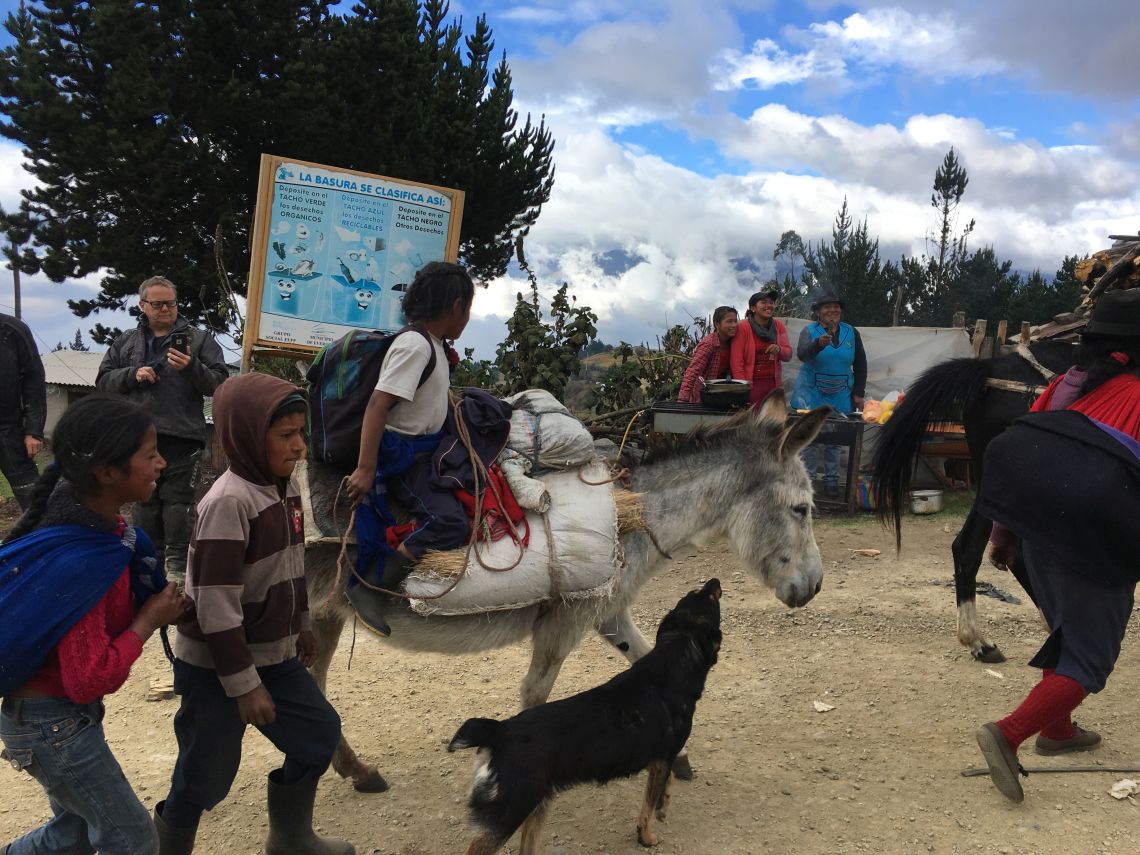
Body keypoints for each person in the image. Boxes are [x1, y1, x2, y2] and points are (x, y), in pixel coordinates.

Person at [155, 373, 354, 855]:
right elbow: (216, 607)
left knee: (318, 735)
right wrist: (244, 686)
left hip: (273, 654)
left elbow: (292, 566)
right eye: (285, 435)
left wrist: (302, 622)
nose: (300, 447)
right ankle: (165, 846)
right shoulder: (227, 502)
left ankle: (291, 839)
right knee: (205, 776)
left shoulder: (281, 489)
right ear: (245, 433)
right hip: (218, 667)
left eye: (301, 434)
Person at [0, 395, 190, 855]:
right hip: (52, 724)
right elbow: (90, 678)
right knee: (134, 838)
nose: (162, 462)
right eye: (149, 455)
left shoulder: (105, 535)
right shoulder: (83, 563)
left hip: (51, 719)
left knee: (77, 832)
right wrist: (148, 620)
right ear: (107, 473)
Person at [973, 288, 1140, 804]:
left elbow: (1023, 461)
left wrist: (1002, 539)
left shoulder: (1063, 389)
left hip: (1036, 535)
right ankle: (1009, 732)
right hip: (1094, 538)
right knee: (1089, 659)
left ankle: (1059, 731)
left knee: (1067, 629)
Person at [342, 261, 474, 637]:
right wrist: (366, 468)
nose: (467, 318)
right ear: (455, 306)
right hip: (406, 456)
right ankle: (372, 584)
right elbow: (377, 405)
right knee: (451, 521)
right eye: (467, 310)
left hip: (426, 449)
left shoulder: (432, 345)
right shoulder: (415, 346)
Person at [96, 276, 229, 580]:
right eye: (158, 304)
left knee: (179, 503)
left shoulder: (198, 340)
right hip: (137, 435)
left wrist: (191, 367)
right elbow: (103, 381)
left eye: (171, 302)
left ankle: (179, 572)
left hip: (183, 435)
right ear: (143, 306)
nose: (166, 309)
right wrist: (132, 374)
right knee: (144, 501)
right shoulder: (126, 341)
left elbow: (220, 383)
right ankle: (146, 567)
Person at [790, 294, 867, 499]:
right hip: (812, 391)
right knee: (811, 438)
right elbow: (802, 355)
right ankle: (809, 482)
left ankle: (832, 482)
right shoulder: (809, 331)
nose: (832, 310)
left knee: (835, 438)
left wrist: (859, 393)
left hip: (841, 392)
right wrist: (817, 345)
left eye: (836, 307)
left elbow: (860, 363)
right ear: (818, 312)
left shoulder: (852, 332)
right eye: (827, 307)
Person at [0, 312, 46, 509]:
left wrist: (33, 430)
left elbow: (34, 380)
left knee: (34, 500)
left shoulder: (13, 330)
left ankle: (48, 537)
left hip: (9, 429)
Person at [730, 290, 791, 406]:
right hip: (752, 385)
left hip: (774, 385)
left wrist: (779, 349)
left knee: (774, 420)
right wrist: (743, 389)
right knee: (753, 420)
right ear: (753, 308)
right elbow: (736, 362)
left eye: (771, 302)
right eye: (763, 302)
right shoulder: (743, 327)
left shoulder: (778, 326)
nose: (768, 305)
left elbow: (788, 355)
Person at [678, 306, 738, 403]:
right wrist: (682, 400)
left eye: (735, 321)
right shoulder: (709, 344)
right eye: (729, 321)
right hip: (703, 396)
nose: (734, 325)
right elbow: (693, 372)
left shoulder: (733, 343)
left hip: (721, 394)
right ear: (717, 324)